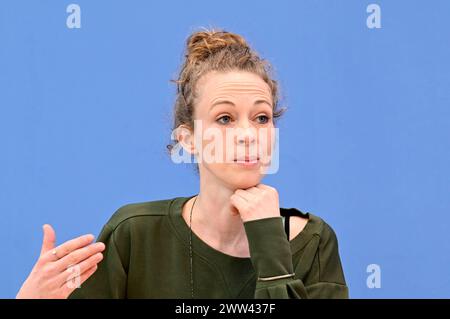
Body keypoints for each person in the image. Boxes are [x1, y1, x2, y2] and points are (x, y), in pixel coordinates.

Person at [16, 28, 349, 299]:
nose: (248, 134)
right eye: (225, 118)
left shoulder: (315, 243)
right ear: (188, 139)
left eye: (261, 117)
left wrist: (269, 243)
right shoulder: (135, 234)